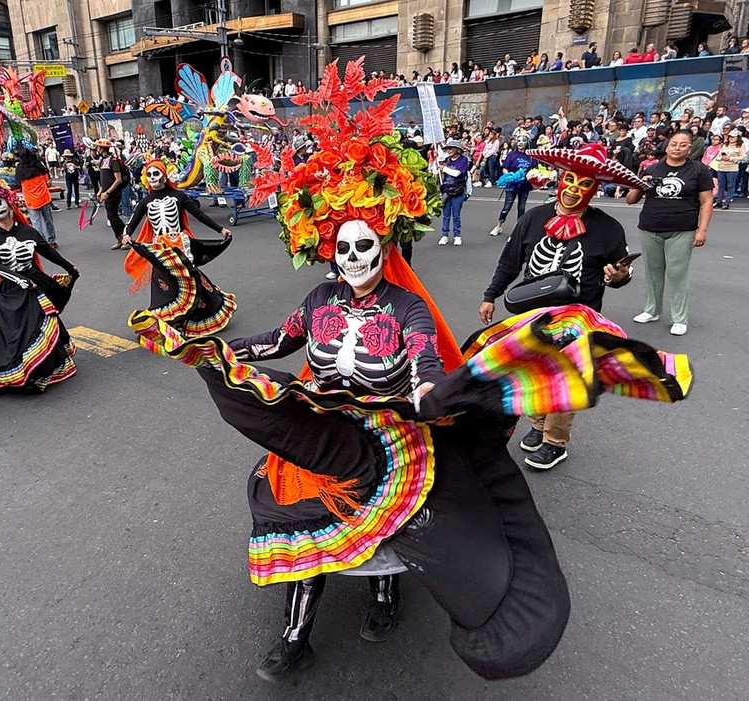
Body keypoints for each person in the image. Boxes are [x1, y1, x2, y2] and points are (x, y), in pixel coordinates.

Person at [128, 70, 694, 684]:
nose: (354, 261)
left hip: (388, 429)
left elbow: (424, 354)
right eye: (343, 249)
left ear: (384, 242)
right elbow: (275, 341)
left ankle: (386, 594)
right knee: (293, 504)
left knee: (408, 520)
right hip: (320, 423)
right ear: (329, 249)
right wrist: (207, 346)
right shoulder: (319, 297)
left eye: (365, 246)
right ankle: (294, 633)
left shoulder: (406, 306)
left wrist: (427, 390)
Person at [479, 143, 645, 470]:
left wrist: (620, 275)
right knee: (535, 371)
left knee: (566, 377)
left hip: (579, 316)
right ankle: (539, 426)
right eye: (569, 179)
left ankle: (556, 442)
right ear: (560, 178)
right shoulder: (533, 218)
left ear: (595, 187)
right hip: (533, 313)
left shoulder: (608, 227)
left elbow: (620, 272)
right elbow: (510, 262)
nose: (573, 189)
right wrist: (490, 295)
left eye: (584, 184)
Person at [0, 180, 79, 391]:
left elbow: (48, 251)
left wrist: (69, 267)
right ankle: (15, 372)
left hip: (33, 284)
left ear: (10, 205)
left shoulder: (28, 232)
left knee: (40, 325)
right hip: (5, 291)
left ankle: (38, 370)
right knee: (11, 333)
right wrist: (19, 280)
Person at [120, 159, 236, 335]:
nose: (153, 178)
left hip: (180, 246)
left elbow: (199, 214)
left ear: (164, 176)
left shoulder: (179, 197)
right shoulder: (145, 202)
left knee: (190, 280)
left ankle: (204, 313)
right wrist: (127, 234)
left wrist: (220, 229)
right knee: (164, 285)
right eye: (149, 174)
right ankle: (171, 320)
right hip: (159, 250)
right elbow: (133, 221)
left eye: (156, 173)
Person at [626, 131, 713, 336]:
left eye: (683, 145)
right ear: (667, 146)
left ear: (689, 148)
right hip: (650, 227)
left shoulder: (698, 170)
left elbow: (707, 201)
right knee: (652, 273)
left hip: (682, 229)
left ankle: (679, 318)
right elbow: (630, 199)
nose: (677, 148)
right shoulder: (652, 168)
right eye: (674, 144)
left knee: (677, 274)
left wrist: (702, 230)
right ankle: (652, 310)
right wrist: (641, 185)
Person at [490, 135, 535, 236]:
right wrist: (510, 176)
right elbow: (505, 168)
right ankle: (499, 225)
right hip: (512, 185)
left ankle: (519, 229)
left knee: (521, 207)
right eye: (518, 140)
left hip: (525, 185)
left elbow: (534, 170)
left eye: (523, 141)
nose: (520, 143)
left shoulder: (531, 156)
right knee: (507, 205)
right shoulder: (512, 154)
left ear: (527, 142)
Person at [15, 146, 57, 247]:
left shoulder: (20, 169)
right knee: (48, 221)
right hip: (44, 198)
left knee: (36, 223)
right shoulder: (39, 166)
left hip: (30, 201)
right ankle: (52, 241)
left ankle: (42, 243)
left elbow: (18, 183)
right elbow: (47, 182)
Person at [95, 139, 128, 250]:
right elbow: (104, 179)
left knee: (113, 216)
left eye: (98, 147)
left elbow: (117, 180)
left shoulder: (113, 161)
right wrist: (100, 192)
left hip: (113, 193)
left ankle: (126, 237)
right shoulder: (102, 161)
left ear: (103, 148)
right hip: (106, 193)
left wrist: (108, 192)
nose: (97, 149)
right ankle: (119, 239)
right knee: (111, 216)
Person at [437, 139, 469, 246]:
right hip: (446, 190)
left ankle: (457, 235)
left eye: (450, 149)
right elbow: (440, 173)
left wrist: (444, 169)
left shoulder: (463, 160)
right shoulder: (446, 160)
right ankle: (444, 235)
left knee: (456, 215)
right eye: (447, 149)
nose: (449, 151)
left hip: (458, 190)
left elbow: (457, 173)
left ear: (457, 150)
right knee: (445, 214)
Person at [713, 131, 745, 209]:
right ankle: (719, 201)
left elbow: (742, 157)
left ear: (737, 137)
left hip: (732, 168)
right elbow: (718, 156)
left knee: (730, 185)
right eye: (730, 137)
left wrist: (730, 158)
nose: (731, 138)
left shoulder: (740, 146)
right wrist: (722, 158)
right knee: (721, 185)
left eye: (733, 137)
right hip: (722, 167)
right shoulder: (724, 145)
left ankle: (727, 201)